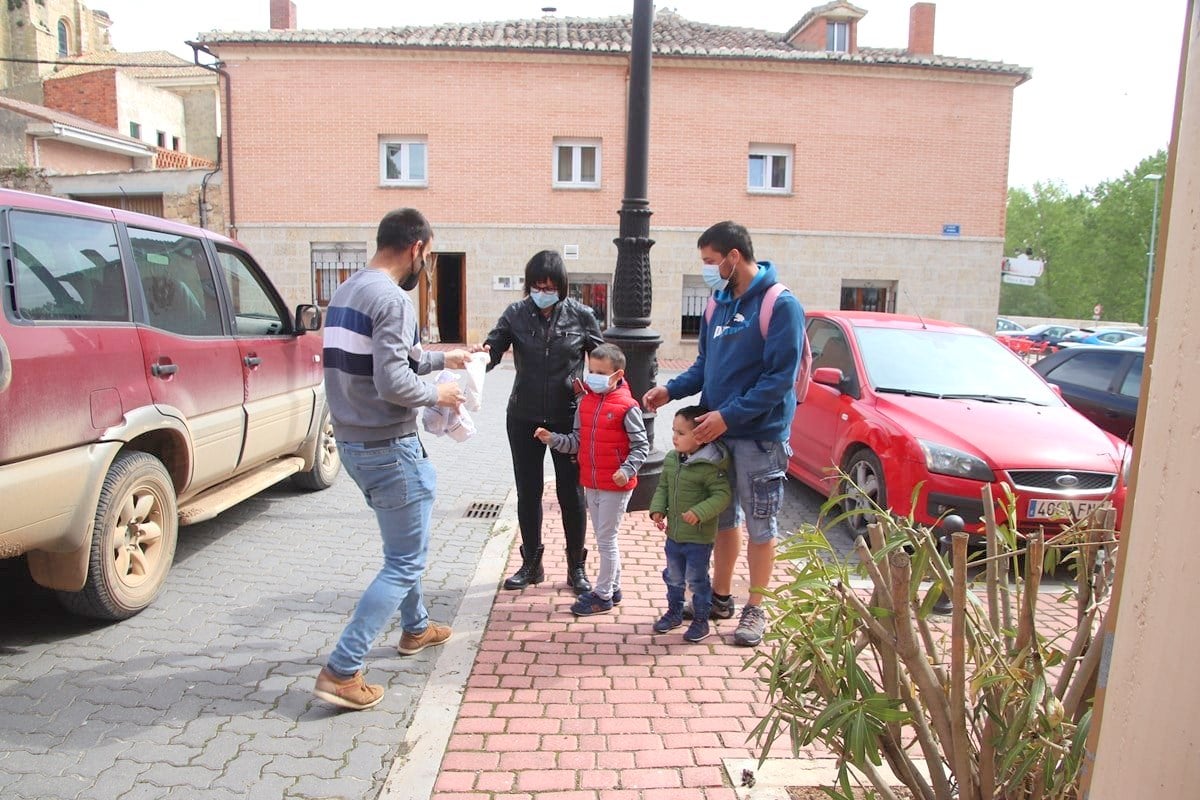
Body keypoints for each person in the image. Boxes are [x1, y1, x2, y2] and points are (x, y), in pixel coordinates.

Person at [314, 208, 471, 711]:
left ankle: (416, 628)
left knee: (400, 550)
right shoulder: (393, 299)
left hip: (356, 445)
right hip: (389, 448)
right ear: (418, 248)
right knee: (405, 561)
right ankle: (343, 669)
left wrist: (443, 359)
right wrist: (440, 392)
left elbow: (388, 358)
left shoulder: (348, 290)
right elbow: (394, 382)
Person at [642, 221, 805, 648]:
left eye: (711, 262)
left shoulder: (779, 304)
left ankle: (757, 607)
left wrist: (727, 416)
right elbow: (703, 368)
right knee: (724, 520)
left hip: (758, 437)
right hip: (718, 434)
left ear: (734, 257)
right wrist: (669, 389)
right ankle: (720, 596)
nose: (707, 271)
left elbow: (777, 381)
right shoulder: (717, 305)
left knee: (761, 524)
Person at [483, 250, 605, 594]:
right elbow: (494, 347)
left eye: (550, 286)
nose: (543, 292)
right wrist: (479, 360)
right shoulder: (516, 314)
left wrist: (603, 391)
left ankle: (575, 567)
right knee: (528, 491)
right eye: (537, 285)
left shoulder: (582, 316)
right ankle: (531, 564)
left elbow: (602, 359)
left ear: (562, 286)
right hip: (523, 416)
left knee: (571, 493)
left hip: (568, 419)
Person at [535, 343, 649, 616]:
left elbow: (641, 445)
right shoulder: (586, 403)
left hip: (616, 484)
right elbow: (577, 441)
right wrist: (553, 440)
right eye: (591, 370)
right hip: (591, 481)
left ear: (617, 374)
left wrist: (627, 469)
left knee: (606, 539)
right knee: (604, 537)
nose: (593, 376)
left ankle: (603, 595)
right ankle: (614, 586)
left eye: (600, 372)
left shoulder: (627, 406)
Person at [649, 406, 732, 643]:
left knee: (697, 581)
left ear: (701, 436)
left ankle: (701, 620)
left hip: (698, 538)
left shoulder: (710, 466)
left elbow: (721, 496)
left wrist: (699, 512)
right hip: (674, 535)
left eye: (681, 433)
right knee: (673, 577)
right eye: (674, 431)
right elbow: (663, 487)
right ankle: (675, 613)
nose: (674, 437)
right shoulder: (672, 460)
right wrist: (657, 509)